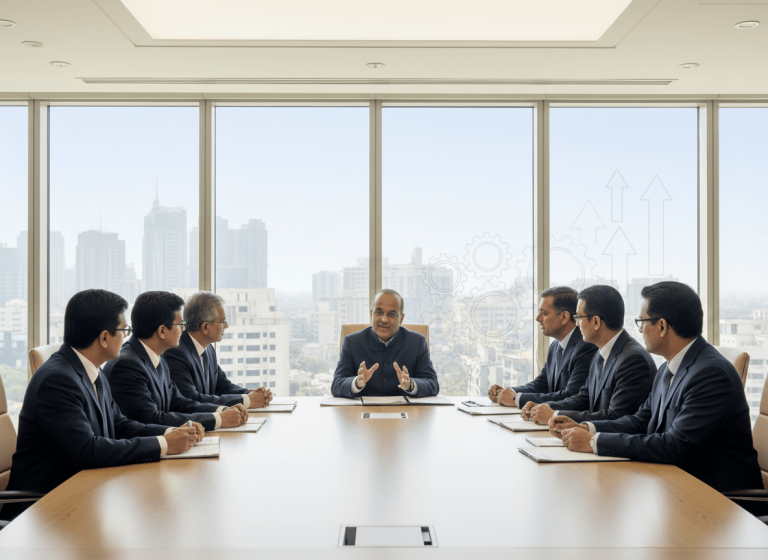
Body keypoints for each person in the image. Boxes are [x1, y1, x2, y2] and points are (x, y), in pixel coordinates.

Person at [2, 290, 200, 521]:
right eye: (124, 331)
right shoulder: (57, 381)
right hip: (44, 509)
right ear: (104, 337)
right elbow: (88, 450)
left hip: (85, 493)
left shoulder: (92, 369)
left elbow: (120, 424)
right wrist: (164, 444)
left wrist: (171, 433)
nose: (127, 338)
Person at [554, 281, 763, 494]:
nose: (640, 329)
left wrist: (594, 442)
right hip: (675, 484)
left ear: (662, 326)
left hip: (721, 499)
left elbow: (674, 445)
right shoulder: (668, 368)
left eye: (642, 321)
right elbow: (641, 420)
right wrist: (588, 429)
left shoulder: (711, 374)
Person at [104, 291, 247, 432]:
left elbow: (179, 402)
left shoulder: (158, 357)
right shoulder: (127, 365)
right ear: (162, 331)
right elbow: (151, 418)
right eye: (180, 324)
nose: (184, 329)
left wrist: (223, 410)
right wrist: (219, 420)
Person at [523, 284, 656, 425]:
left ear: (596, 321)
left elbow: (617, 416)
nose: (577, 324)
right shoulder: (601, 352)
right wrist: (544, 408)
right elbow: (583, 398)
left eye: (579, 317)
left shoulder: (633, 359)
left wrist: (554, 415)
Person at [488, 287, 597, 408]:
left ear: (564, 317)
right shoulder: (556, 345)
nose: (538, 318)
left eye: (544, 313)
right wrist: (508, 391)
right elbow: (542, 384)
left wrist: (516, 399)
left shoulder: (586, 347)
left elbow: (571, 396)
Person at [165, 291, 273, 409]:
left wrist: (250, 394)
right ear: (205, 327)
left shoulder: (209, 349)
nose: (226, 326)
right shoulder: (176, 352)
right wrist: (246, 400)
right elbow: (191, 399)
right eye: (223, 322)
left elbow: (223, 386)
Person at [331, 289, 439, 398]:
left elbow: (433, 384)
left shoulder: (417, 342)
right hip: (362, 413)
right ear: (371, 314)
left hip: (406, 412)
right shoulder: (352, 342)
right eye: (378, 312)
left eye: (392, 314)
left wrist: (410, 384)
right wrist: (357, 382)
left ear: (401, 319)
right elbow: (336, 385)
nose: (384, 319)